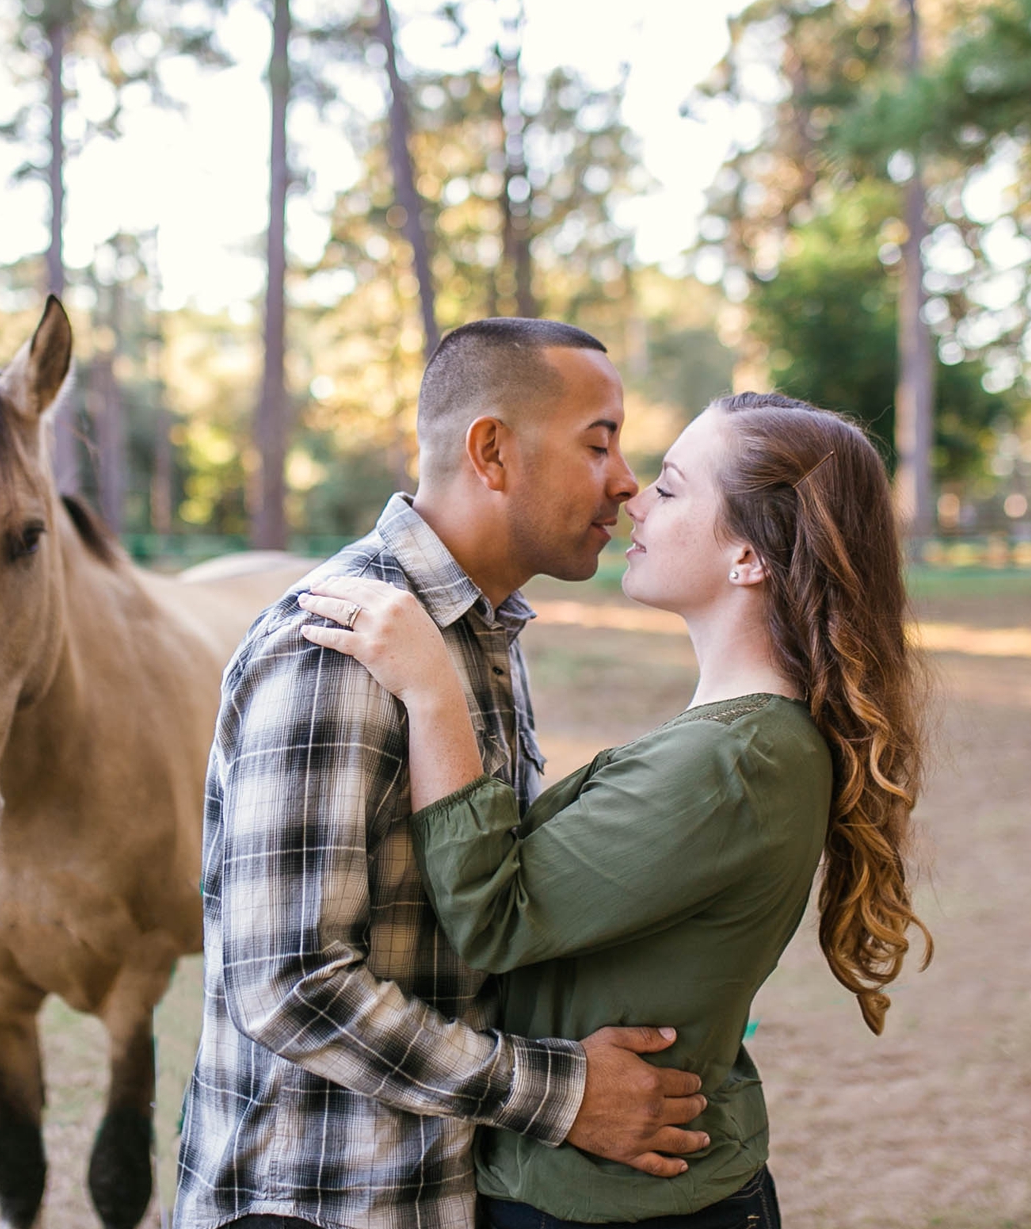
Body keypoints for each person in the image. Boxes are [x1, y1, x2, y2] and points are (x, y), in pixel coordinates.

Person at [298, 391, 930, 1228]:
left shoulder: (739, 759)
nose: (634, 495)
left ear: (748, 556)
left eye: (671, 487)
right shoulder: (736, 740)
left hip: (623, 1205)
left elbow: (494, 916)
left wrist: (431, 689)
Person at [174, 319, 714, 1229]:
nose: (627, 480)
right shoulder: (340, 646)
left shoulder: (482, 635)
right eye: (600, 442)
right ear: (492, 451)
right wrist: (560, 1094)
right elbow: (288, 981)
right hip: (316, 1202)